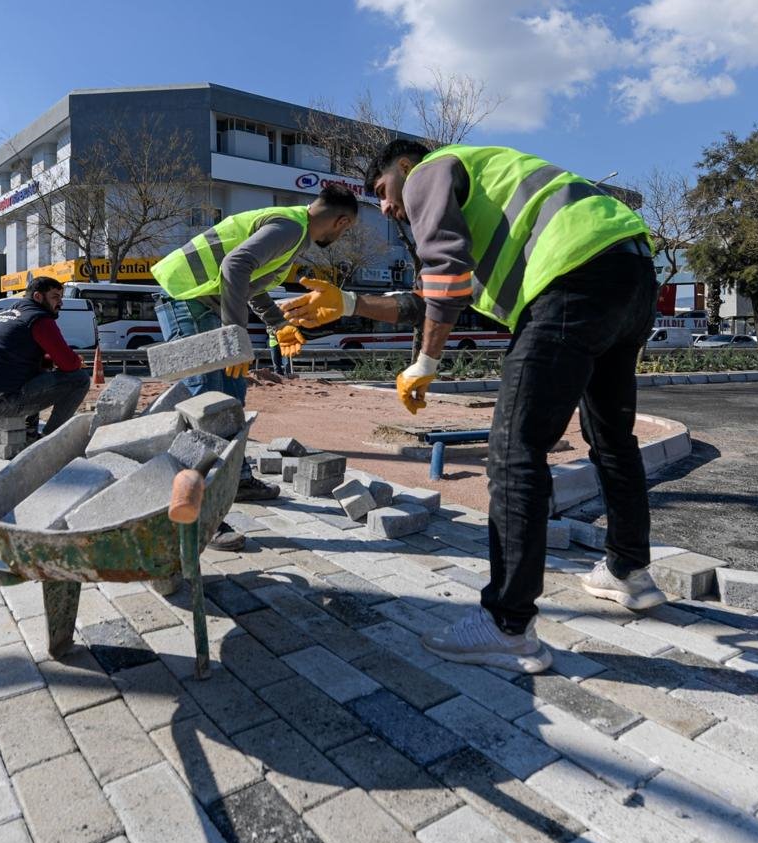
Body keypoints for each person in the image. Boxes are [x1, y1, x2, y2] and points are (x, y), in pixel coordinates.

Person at [283, 141, 659, 675]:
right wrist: (348, 304)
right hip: (628, 275)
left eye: (384, 191)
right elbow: (433, 298)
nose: (388, 208)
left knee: (513, 451)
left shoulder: (430, 172)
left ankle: (506, 625)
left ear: (405, 168)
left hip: (572, 279)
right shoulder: (487, 206)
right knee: (613, 438)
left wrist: (425, 363)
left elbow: (445, 272)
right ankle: (629, 572)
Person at [151, 185, 359, 503]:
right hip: (189, 302)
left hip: (203, 306)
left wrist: (278, 323)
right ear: (342, 221)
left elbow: (248, 283)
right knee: (207, 403)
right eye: (346, 231)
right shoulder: (290, 227)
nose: (341, 237)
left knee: (231, 396)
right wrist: (234, 337)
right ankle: (200, 504)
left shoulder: (292, 231)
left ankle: (236, 479)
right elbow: (234, 266)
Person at [0, 276, 89, 441]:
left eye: (61, 297)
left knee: (37, 375)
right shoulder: (40, 319)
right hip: (0, 402)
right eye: (55, 297)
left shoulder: (4, 313)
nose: (60, 303)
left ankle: (29, 434)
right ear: (38, 297)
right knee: (80, 379)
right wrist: (76, 361)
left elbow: (32, 359)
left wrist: (51, 362)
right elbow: (68, 364)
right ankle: (49, 440)